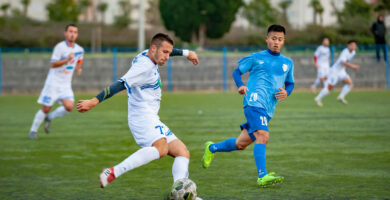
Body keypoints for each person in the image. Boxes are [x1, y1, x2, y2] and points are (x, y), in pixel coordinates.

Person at [76, 33, 199, 188]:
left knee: (182, 152)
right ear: (153, 48)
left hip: (151, 116)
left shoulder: (149, 54)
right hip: (142, 117)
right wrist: (93, 101)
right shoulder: (144, 66)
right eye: (165, 53)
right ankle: (113, 171)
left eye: (169, 53)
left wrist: (186, 53)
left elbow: (167, 50)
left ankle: (179, 191)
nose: (167, 57)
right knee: (161, 148)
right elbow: (120, 84)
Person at [201, 25, 294, 187]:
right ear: (267, 39)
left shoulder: (287, 62)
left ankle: (212, 148)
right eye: (273, 38)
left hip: (268, 109)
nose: (276, 42)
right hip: (253, 102)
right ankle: (262, 175)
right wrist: (240, 85)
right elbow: (236, 72)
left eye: (279, 39)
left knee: (241, 144)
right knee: (263, 136)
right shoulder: (256, 58)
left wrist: (287, 93)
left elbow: (290, 83)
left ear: (283, 41)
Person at [29, 24, 84, 139]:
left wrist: (79, 68)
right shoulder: (59, 47)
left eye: (75, 32)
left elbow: (79, 59)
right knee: (46, 108)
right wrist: (67, 59)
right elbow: (53, 64)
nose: (72, 34)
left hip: (65, 85)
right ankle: (33, 131)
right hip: (53, 83)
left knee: (69, 107)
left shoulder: (79, 49)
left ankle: (49, 117)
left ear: (77, 35)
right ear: (65, 33)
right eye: (70, 31)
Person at [314, 40, 360, 107]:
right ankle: (317, 98)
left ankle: (341, 96)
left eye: (355, 45)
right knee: (329, 88)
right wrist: (352, 66)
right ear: (348, 45)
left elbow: (346, 62)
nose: (354, 46)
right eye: (352, 45)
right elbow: (342, 62)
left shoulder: (353, 52)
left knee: (350, 83)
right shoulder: (345, 51)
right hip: (335, 71)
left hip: (342, 71)